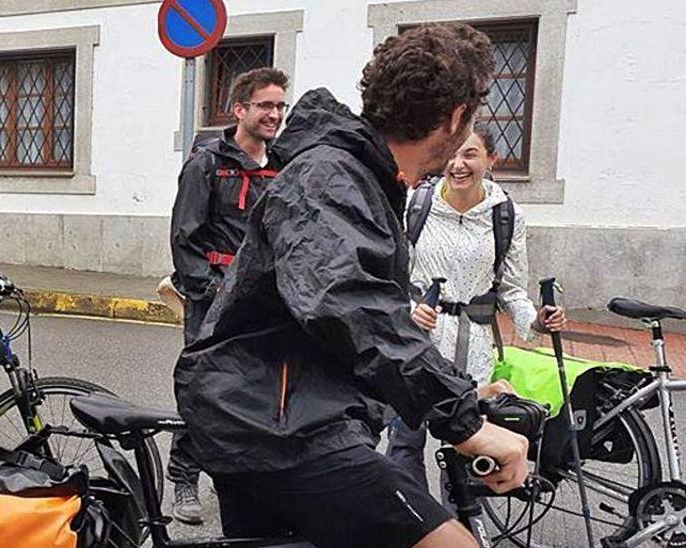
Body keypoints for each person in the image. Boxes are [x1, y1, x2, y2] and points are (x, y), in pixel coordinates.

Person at [174, 24, 530, 548]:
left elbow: (358, 312)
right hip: (280, 424)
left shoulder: (361, 175)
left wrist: (459, 387)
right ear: (457, 117)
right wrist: (462, 418)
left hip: (284, 409)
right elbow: (342, 300)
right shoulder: (330, 175)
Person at [387, 124, 567, 489]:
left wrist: (537, 322)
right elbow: (390, 278)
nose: (458, 164)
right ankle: (414, 531)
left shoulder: (506, 216)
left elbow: (512, 290)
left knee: (470, 454)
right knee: (405, 443)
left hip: (474, 352)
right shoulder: (415, 205)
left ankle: (463, 532)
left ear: (491, 160)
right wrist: (409, 309)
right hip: (418, 345)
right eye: (452, 154)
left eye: (469, 154)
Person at [166, 67, 288, 524]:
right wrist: (212, 292)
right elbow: (185, 239)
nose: (274, 114)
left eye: (279, 105)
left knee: (259, 393)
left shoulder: (284, 165)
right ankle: (183, 478)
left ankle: (244, 481)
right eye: (265, 106)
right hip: (215, 298)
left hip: (266, 300)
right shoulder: (206, 165)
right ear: (240, 110)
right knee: (205, 389)